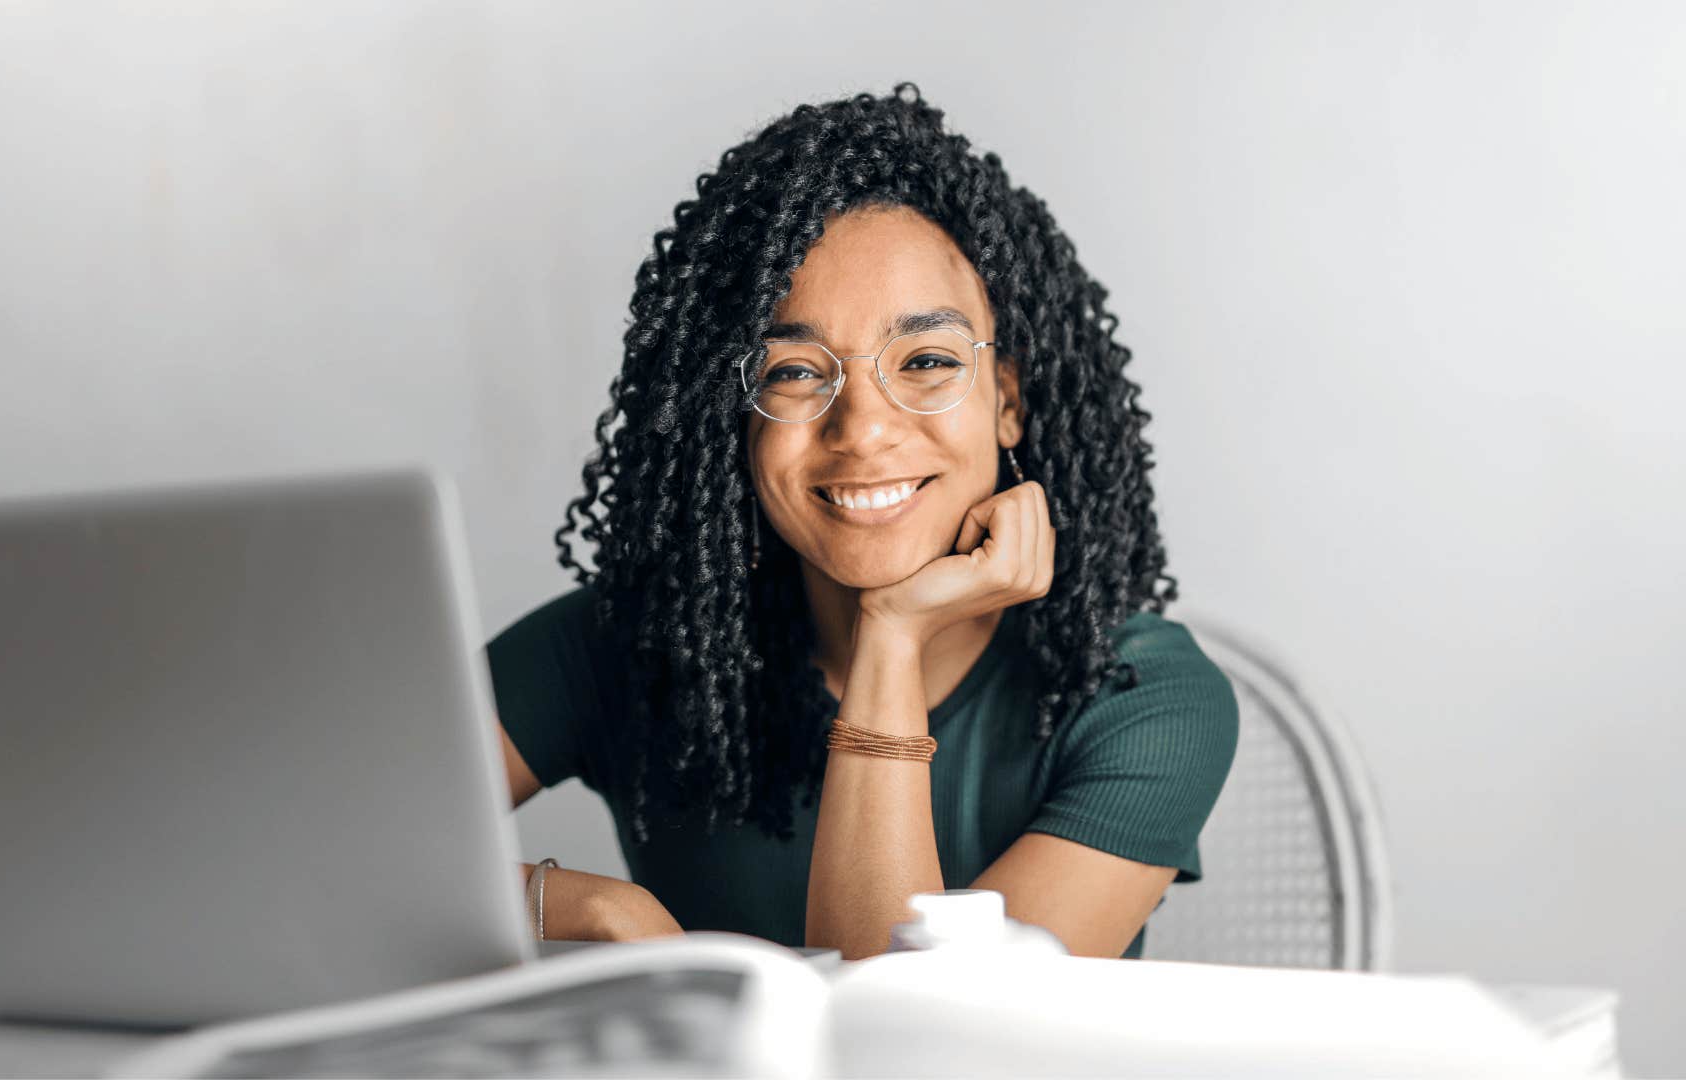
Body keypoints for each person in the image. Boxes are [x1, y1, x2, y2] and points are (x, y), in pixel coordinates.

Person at [487, 84, 1238, 961]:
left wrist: (892, 635)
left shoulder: (1141, 696)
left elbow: (916, 1045)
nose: (865, 428)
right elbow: (307, 848)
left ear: (1008, 401)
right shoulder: (630, 642)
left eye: (925, 360)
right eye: (796, 373)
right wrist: (590, 908)